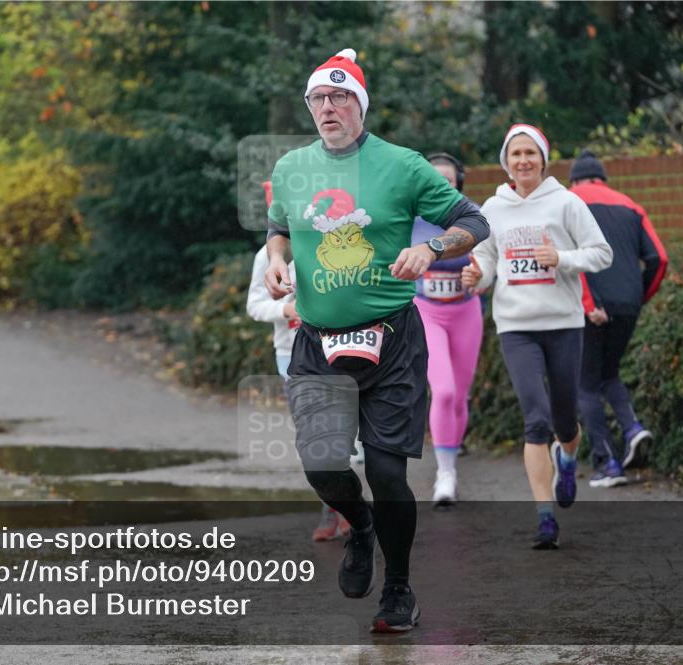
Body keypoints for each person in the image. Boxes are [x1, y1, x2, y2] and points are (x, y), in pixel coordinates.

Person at [264, 49, 489, 632]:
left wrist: (432, 248)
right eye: (318, 98)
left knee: (389, 473)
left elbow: (475, 222)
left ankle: (398, 589)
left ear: (360, 105)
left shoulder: (403, 165)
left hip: (392, 343)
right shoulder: (292, 168)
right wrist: (274, 261)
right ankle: (359, 526)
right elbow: (280, 229)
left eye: (340, 98)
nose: (328, 107)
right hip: (317, 342)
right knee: (321, 465)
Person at [461, 125, 612, 550]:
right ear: (506, 162)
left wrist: (561, 258)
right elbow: (488, 260)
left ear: (543, 159)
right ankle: (545, 517)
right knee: (536, 420)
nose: (523, 160)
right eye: (516, 154)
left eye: (530, 153)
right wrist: (478, 276)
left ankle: (568, 458)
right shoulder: (494, 206)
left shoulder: (567, 202)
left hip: (563, 324)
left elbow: (602, 253)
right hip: (516, 326)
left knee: (565, 422)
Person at [248, 192, 352, 542]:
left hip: (333, 352)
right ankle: (333, 506)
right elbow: (254, 305)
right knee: (312, 438)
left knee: (338, 434)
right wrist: (284, 310)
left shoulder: (331, 241)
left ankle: (345, 508)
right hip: (289, 357)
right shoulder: (267, 256)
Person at [568, 150, 667, 487]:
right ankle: (633, 428)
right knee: (608, 373)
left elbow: (569, 260)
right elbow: (660, 259)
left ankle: (607, 462)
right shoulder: (631, 205)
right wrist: (640, 296)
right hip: (628, 303)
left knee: (585, 384)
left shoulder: (568, 202)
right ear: (602, 177)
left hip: (590, 307)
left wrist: (588, 303)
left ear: (575, 179)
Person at [413, 153, 482, 504]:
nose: (441, 187)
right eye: (434, 181)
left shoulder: (473, 215)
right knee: (443, 391)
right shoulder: (409, 218)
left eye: (448, 182)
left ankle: (451, 461)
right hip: (426, 312)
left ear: (458, 185)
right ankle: (445, 474)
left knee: (459, 395)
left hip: (466, 312)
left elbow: (488, 263)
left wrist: (479, 276)